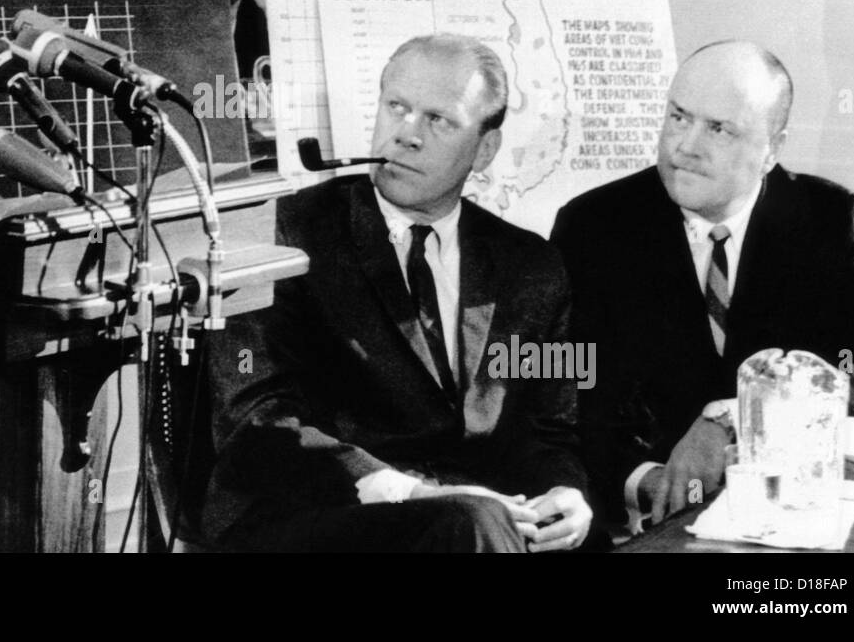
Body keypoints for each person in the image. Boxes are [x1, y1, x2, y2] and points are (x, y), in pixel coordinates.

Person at [203, 34, 592, 552]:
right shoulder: (279, 234)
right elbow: (256, 420)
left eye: (438, 120)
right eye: (397, 107)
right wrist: (410, 492)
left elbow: (550, 429)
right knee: (470, 525)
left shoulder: (532, 267)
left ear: (485, 149)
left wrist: (566, 493)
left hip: (474, 520)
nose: (407, 134)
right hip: (316, 513)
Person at [551, 40, 854, 535]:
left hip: (790, 507)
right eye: (678, 116)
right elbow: (567, 387)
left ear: (772, 149)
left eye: (719, 129)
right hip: (645, 519)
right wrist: (644, 478)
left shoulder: (827, 220)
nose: (685, 146)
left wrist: (735, 415)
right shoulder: (594, 227)